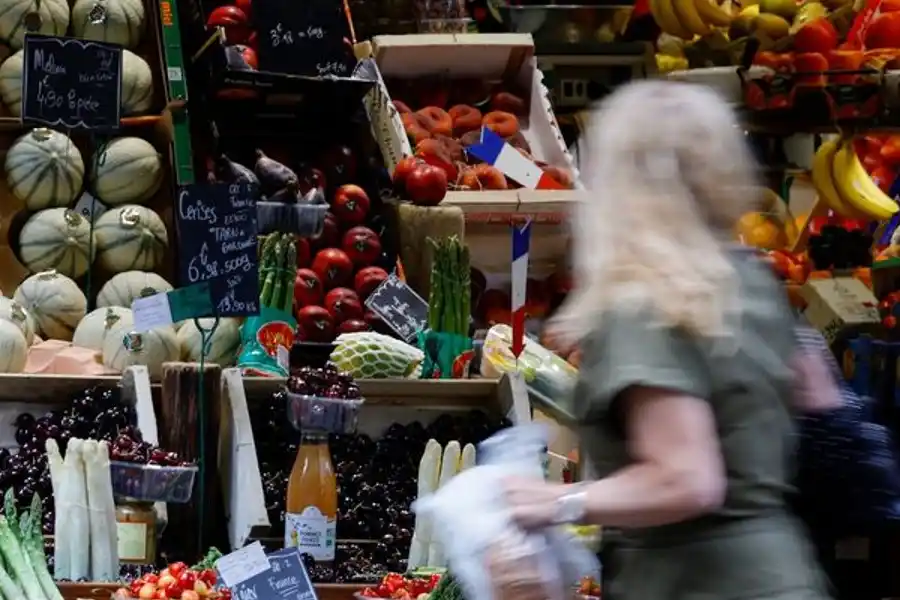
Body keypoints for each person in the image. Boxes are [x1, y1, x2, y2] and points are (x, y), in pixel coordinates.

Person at [497, 81, 830, 600]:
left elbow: (686, 479)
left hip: (696, 583)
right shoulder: (750, 281)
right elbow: (817, 399)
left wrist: (556, 503)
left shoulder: (649, 301)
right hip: (781, 573)